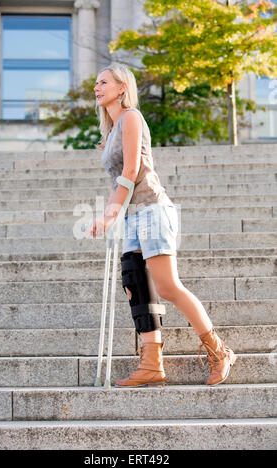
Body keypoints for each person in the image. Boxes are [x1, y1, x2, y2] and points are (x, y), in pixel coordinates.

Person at [89, 62, 236, 387]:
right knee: (135, 285)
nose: (96, 88)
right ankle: (152, 363)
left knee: (167, 286)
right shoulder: (111, 128)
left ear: (122, 87)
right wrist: (115, 213)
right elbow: (118, 181)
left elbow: (131, 171)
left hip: (152, 209)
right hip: (132, 215)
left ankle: (219, 350)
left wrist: (109, 214)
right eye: (95, 84)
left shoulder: (131, 118)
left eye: (103, 82)